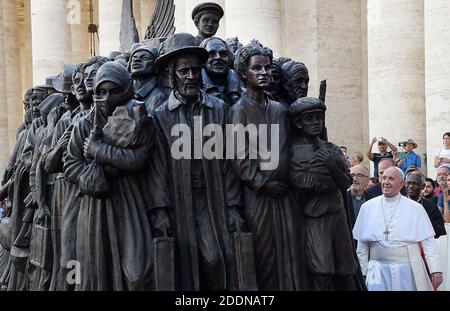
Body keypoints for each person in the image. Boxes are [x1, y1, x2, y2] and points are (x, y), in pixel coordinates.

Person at [151, 33, 243, 291]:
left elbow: (228, 161)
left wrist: (233, 206)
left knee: (215, 259)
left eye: (194, 70)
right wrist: (160, 212)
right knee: (183, 267)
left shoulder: (217, 108)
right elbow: (157, 168)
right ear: (172, 75)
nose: (191, 76)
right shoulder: (160, 115)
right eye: (184, 71)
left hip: (211, 197)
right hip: (177, 200)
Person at [64, 62, 155, 290]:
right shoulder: (84, 124)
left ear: (125, 90)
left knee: (137, 273)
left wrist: (99, 152)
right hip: (95, 205)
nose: (107, 97)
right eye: (101, 92)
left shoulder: (140, 118)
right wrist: (104, 170)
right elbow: (71, 165)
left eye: (114, 91)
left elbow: (140, 158)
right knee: (98, 272)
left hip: (129, 201)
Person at [231, 39, 304, 290]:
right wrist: (263, 184)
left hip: (285, 195)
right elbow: (239, 159)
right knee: (265, 255)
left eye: (268, 68)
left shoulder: (279, 109)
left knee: (291, 251)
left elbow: (292, 149)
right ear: (243, 73)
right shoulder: (238, 110)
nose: (265, 73)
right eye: (257, 68)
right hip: (258, 197)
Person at [288, 97, 363, 290]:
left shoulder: (331, 149)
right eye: (309, 119)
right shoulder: (293, 151)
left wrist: (332, 166)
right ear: (298, 123)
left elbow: (346, 181)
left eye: (318, 118)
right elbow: (300, 184)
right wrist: (321, 182)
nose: (315, 123)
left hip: (337, 215)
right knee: (322, 269)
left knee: (346, 268)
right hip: (314, 216)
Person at [353, 167, 443, 291]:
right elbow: (362, 245)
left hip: (407, 269)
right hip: (376, 270)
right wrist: (362, 272)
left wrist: (435, 270)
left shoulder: (416, 208)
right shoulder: (367, 207)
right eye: (384, 178)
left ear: (401, 184)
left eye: (391, 179)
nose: (386, 182)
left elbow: (428, 242)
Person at [199, 37, 241, 107]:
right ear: (203, 60)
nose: (218, 57)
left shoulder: (243, 91)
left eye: (223, 54)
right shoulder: (196, 91)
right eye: (211, 54)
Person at [128, 44, 167, 114]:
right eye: (133, 58)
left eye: (145, 58)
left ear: (155, 66)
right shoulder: (127, 92)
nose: (136, 60)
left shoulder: (158, 97)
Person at [405, 172, 445, 238]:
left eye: (415, 184)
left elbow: (440, 231)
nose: (411, 186)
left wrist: (422, 217)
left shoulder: (432, 207)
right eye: (408, 183)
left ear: (422, 186)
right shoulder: (398, 204)